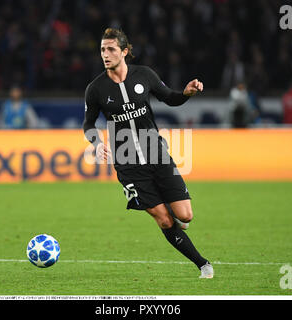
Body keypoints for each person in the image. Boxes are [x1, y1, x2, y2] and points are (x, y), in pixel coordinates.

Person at [83, 28, 213, 279]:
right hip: (128, 162)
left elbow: (171, 98)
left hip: (156, 152)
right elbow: (88, 124)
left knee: (185, 215)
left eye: (110, 49)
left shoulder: (144, 75)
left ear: (124, 51)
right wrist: (96, 143)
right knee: (164, 220)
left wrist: (186, 93)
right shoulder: (95, 88)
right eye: (102, 49)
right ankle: (203, 265)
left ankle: (172, 211)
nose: (105, 54)